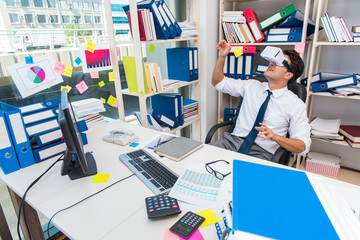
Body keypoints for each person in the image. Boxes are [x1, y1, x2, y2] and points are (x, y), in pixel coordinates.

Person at [210, 40, 311, 161]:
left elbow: (303, 146)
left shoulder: (296, 105)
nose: (272, 64)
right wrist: (222, 57)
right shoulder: (252, 85)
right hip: (231, 143)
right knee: (199, 162)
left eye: (278, 62)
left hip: (263, 152)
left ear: (288, 75)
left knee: (245, 178)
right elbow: (218, 82)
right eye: (273, 60)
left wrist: (275, 137)